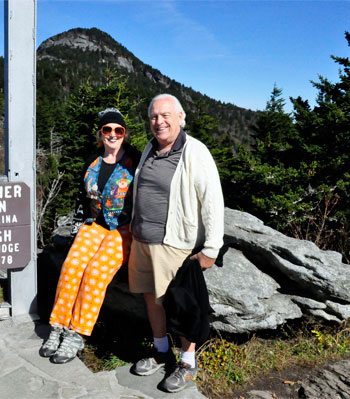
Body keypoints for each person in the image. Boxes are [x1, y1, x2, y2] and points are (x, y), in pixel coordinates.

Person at [128, 93, 225, 393]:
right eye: (154, 117)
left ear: (181, 118)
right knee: (150, 297)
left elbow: (212, 200)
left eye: (166, 115)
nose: (160, 122)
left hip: (173, 243)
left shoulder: (195, 151)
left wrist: (212, 248)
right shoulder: (150, 148)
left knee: (181, 305)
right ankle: (160, 352)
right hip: (142, 239)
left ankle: (187, 362)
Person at [39, 108, 140, 364]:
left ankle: (77, 333)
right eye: (108, 130)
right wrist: (79, 223)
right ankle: (59, 326)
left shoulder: (135, 161)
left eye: (119, 130)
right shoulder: (92, 160)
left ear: (125, 134)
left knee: (95, 272)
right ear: (101, 134)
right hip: (93, 224)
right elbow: (82, 197)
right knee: (72, 266)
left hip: (123, 229)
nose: (113, 134)